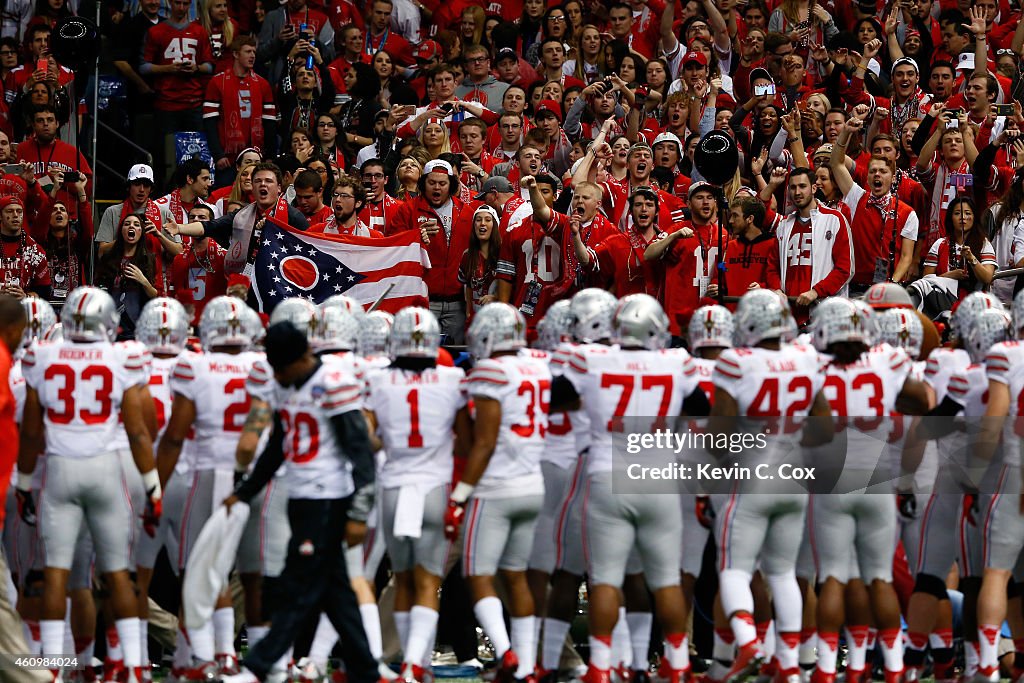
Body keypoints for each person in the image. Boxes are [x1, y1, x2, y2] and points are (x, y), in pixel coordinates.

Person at [550, 293, 710, 683]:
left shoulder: (591, 360)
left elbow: (557, 400)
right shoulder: (676, 363)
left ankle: (602, 666)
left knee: (605, 578)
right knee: (666, 580)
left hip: (608, 475)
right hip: (659, 479)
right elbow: (701, 409)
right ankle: (676, 662)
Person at [16, 286, 161, 683]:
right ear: (107, 321)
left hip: (60, 470)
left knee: (55, 574)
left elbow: (30, 434)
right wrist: (152, 487)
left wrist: (24, 482)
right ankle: (133, 666)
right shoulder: (122, 356)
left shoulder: (41, 357)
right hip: (105, 471)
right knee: (118, 574)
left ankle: (51, 671)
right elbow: (137, 432)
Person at [221, 321, 379, 683]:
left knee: (298, 586)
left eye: (281, 367)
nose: (276, 375)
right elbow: (277, 446)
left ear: (301, 357)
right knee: (337, 594)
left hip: (327, 499)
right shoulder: (283, 384)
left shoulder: (333, 384)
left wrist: (358, 512)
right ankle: (368, 671)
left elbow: (361, 453)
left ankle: (258, 667)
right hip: (301, 495)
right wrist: (245, 490)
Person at [810, 297, 929, 683]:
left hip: (832, 485)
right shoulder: (887, 362)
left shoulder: (811, 366)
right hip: (878, 481)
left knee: (834, 577)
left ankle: (829, 668)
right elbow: (923, 402)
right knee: (877, 577)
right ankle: (893, 665)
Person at [156, 296, 263, 679]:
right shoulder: (262, 366)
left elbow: (174, 437)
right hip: (255, 478)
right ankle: (219, 655)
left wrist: (157, 485)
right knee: (248, 572)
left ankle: (207, 655)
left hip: (209, 473)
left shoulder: (194, 366)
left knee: (200, 569)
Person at [363, 307, 471, 683]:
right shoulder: (453, 377)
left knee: (404, 578)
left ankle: (408, 663)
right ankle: (414, 663)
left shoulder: (378, 380)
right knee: (428, 581)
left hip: (394, 487)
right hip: (434, 489)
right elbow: (466, 443)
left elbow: (367, 438)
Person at [444, 302, 550, 683]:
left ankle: (506, 653)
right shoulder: (539, 365)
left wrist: (460, 495)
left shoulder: (490, 370)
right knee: (516, 575)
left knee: (477, 573)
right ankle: (524, 665)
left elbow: (483, 443)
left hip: (496, 487)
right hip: (532, 482)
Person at [171, 162, 310, 285]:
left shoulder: (294, 217)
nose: (263, 184)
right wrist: (179, 228)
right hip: (248, 284)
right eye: (258, 181)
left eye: (268, 181)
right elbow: (209, 226)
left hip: (282, 285)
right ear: (253, 187)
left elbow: (308, 254)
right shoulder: (242, 215)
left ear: (279, 188)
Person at [386, 159, 475, 343]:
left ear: (451, 185)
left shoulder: (466, 212)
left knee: (454, 358)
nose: (437, 188)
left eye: (442, 183)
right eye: (431, 183)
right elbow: (393, 248)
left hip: (457, 303)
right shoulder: (407, 210)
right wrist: (415, 236)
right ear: (423, 183)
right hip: (422, 302)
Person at [830, 119, 918, 292]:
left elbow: (907, 258)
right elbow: (836, 163)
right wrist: (846, 132)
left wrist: (891, 286)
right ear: (868, 177)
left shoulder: (908, 213)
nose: (877, 174)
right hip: (854, 288)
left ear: (893, 178)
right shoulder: (857, 197)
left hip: (887, 288)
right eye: (872, 171)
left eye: (883, 171)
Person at [140, 0, 216, 182]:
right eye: (177, 3)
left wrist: (196, 68)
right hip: (166, 103)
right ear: (170, 3)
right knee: (165, 156)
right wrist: (169, 69)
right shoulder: (156, 32)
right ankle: (167, 190)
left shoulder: (199, 32)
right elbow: (143, 67)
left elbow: (210, 66)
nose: (181, 7)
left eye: (184, 3)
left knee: (198, 155)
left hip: (193, 102)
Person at [773, 167, 853, 321]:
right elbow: (772, 266)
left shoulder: (834, 219)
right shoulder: (783, 225)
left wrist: (816, 291)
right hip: (790, 313)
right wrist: (777, 289)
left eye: (802, 186)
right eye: (793, 187)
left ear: (814, 188)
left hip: (825, 313)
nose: (797, 192)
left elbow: (845, 269)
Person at [203, 36, 279, 177]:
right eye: (248, 51)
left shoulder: (263, 84)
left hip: (256, 157)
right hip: (227, 159)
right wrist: (218, 154)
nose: (252, 56)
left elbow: (269, 124)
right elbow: (210, 123)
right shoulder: (217, 82)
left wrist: (270, 156)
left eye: (254, 52)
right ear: (236, 54)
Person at [95, 214, 164, 339]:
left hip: (138, 330)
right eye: (127, 224)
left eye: (136, 225)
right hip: (110, 329)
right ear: (121, 231)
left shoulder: (150, 260)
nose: (131, 226)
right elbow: (98, 294)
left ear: (141, 232)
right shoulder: (108, 259)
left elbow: (158, 296)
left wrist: (143, 281)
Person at [96, 164, 182, 259]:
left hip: (155, 272)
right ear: (128, 187)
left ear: (151, 189)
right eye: (137, 184)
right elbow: (101, 253)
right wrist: (124, 238)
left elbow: (179, 252)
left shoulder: (164, 213)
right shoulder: (112, 212)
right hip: (120, 271)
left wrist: (158, 235)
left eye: (146, 185)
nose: (141, 189)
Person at [169, 204, 228, 324]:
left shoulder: (224, 257)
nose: (196, 220)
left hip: (216, 323)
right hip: (187, 324)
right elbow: (175, 296)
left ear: (211, 224)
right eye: (192, 217)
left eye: (201, 217)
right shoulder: (179, 259)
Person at [0, 195, 49, 299]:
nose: (15, 215)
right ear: (0, 216)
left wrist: (25, 297)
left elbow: (44, 290)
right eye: (9, 211)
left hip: (23, 311)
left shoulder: (35, 250)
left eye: (19, 211)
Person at [459, 204, 500, 319]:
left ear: (495, 225)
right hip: (476, 319)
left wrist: (496, 297)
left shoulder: (504, 254)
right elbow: (467, 285)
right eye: (478, 220)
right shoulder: (467, 256)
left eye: (488, 220)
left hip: (499, 318)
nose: (482, 223)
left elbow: (513, 286)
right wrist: (468, 312)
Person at [309, 172, 380, 236]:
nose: (338, 199)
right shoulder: (316, 232)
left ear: (358, 203)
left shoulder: (373, 238)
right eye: (336, 195)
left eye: (345, 196)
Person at [156, 156, 216, 225]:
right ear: (190, 179)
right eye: (205, 179)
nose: (209, 184)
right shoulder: (160, 207)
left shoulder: (210, 210)